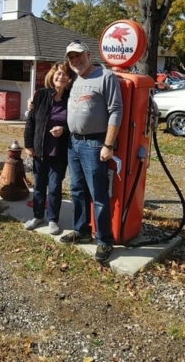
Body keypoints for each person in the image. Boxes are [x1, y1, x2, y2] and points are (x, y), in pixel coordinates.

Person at [60, 40, 123, 263]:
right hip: (74, 143)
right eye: (71, 57)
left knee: (98, 194)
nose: (75, 60)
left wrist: (108, 144)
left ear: (88, 54)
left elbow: (116, 110)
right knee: (76, 189)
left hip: (95, 144)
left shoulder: (105, 76)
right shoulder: (76, 78)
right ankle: (81, 230)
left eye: (78, 55)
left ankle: (104, 240)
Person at [24, 61, 73, 235]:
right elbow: (30, 121)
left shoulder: (71, 98)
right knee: (39, 186)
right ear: (52, 75)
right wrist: (28, 144)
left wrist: (64, 130)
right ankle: (38, 216)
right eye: (58, 73)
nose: (61, 77)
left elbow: (75, 125)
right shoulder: (41, 95)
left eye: (65, 74)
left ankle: (52, 219)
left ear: (69, 79)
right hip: (40, 150)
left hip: (59, 152)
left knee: (54, 188)